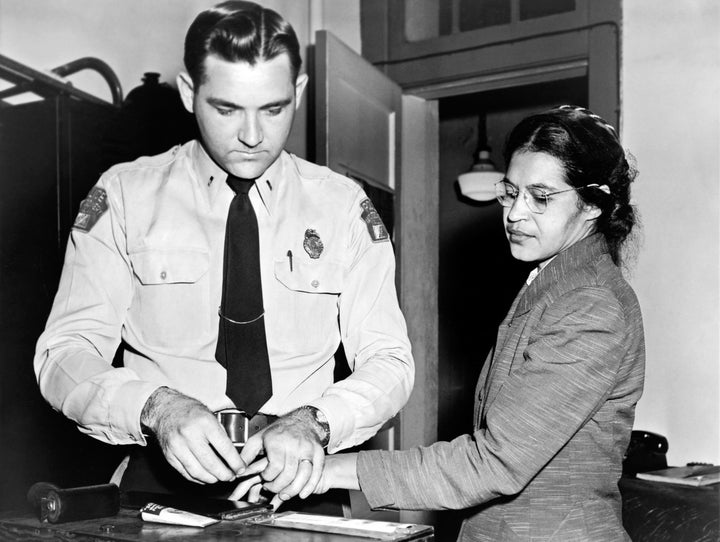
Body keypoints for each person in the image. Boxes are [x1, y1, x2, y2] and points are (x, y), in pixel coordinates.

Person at [33, 0, 413, 508]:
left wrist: (317, 421)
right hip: (157, 489)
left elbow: (389, 360)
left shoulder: (343, 207)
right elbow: (64, 354)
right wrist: (157, 407)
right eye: (227, 109)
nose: (253, 136)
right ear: (190, 92)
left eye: (274, 109)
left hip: (299, 487)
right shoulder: (125, 195)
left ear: (298, 92)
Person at [237, 105, 645, 540]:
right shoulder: (557, 283)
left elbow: (495, 462)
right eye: (510, 192)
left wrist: (327, 471)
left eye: (540, 197)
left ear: (593, 206)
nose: (514, 214)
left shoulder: (590, 304)